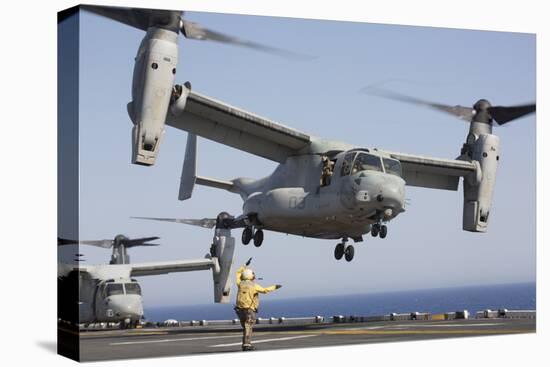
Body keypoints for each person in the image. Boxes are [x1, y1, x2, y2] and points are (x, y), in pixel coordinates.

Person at [234, 258, 282, 351]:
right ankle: (247, 345)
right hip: (249, 310)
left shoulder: (240, 284)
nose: (254, 276)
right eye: (253, 275)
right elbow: (265, 290)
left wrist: (245, 265)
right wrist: (275, 287)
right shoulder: (253, 285)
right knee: (249, 326)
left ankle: (245, 344)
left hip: (239, 310)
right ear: (250, 276)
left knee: (245, 327)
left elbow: (237, 273)